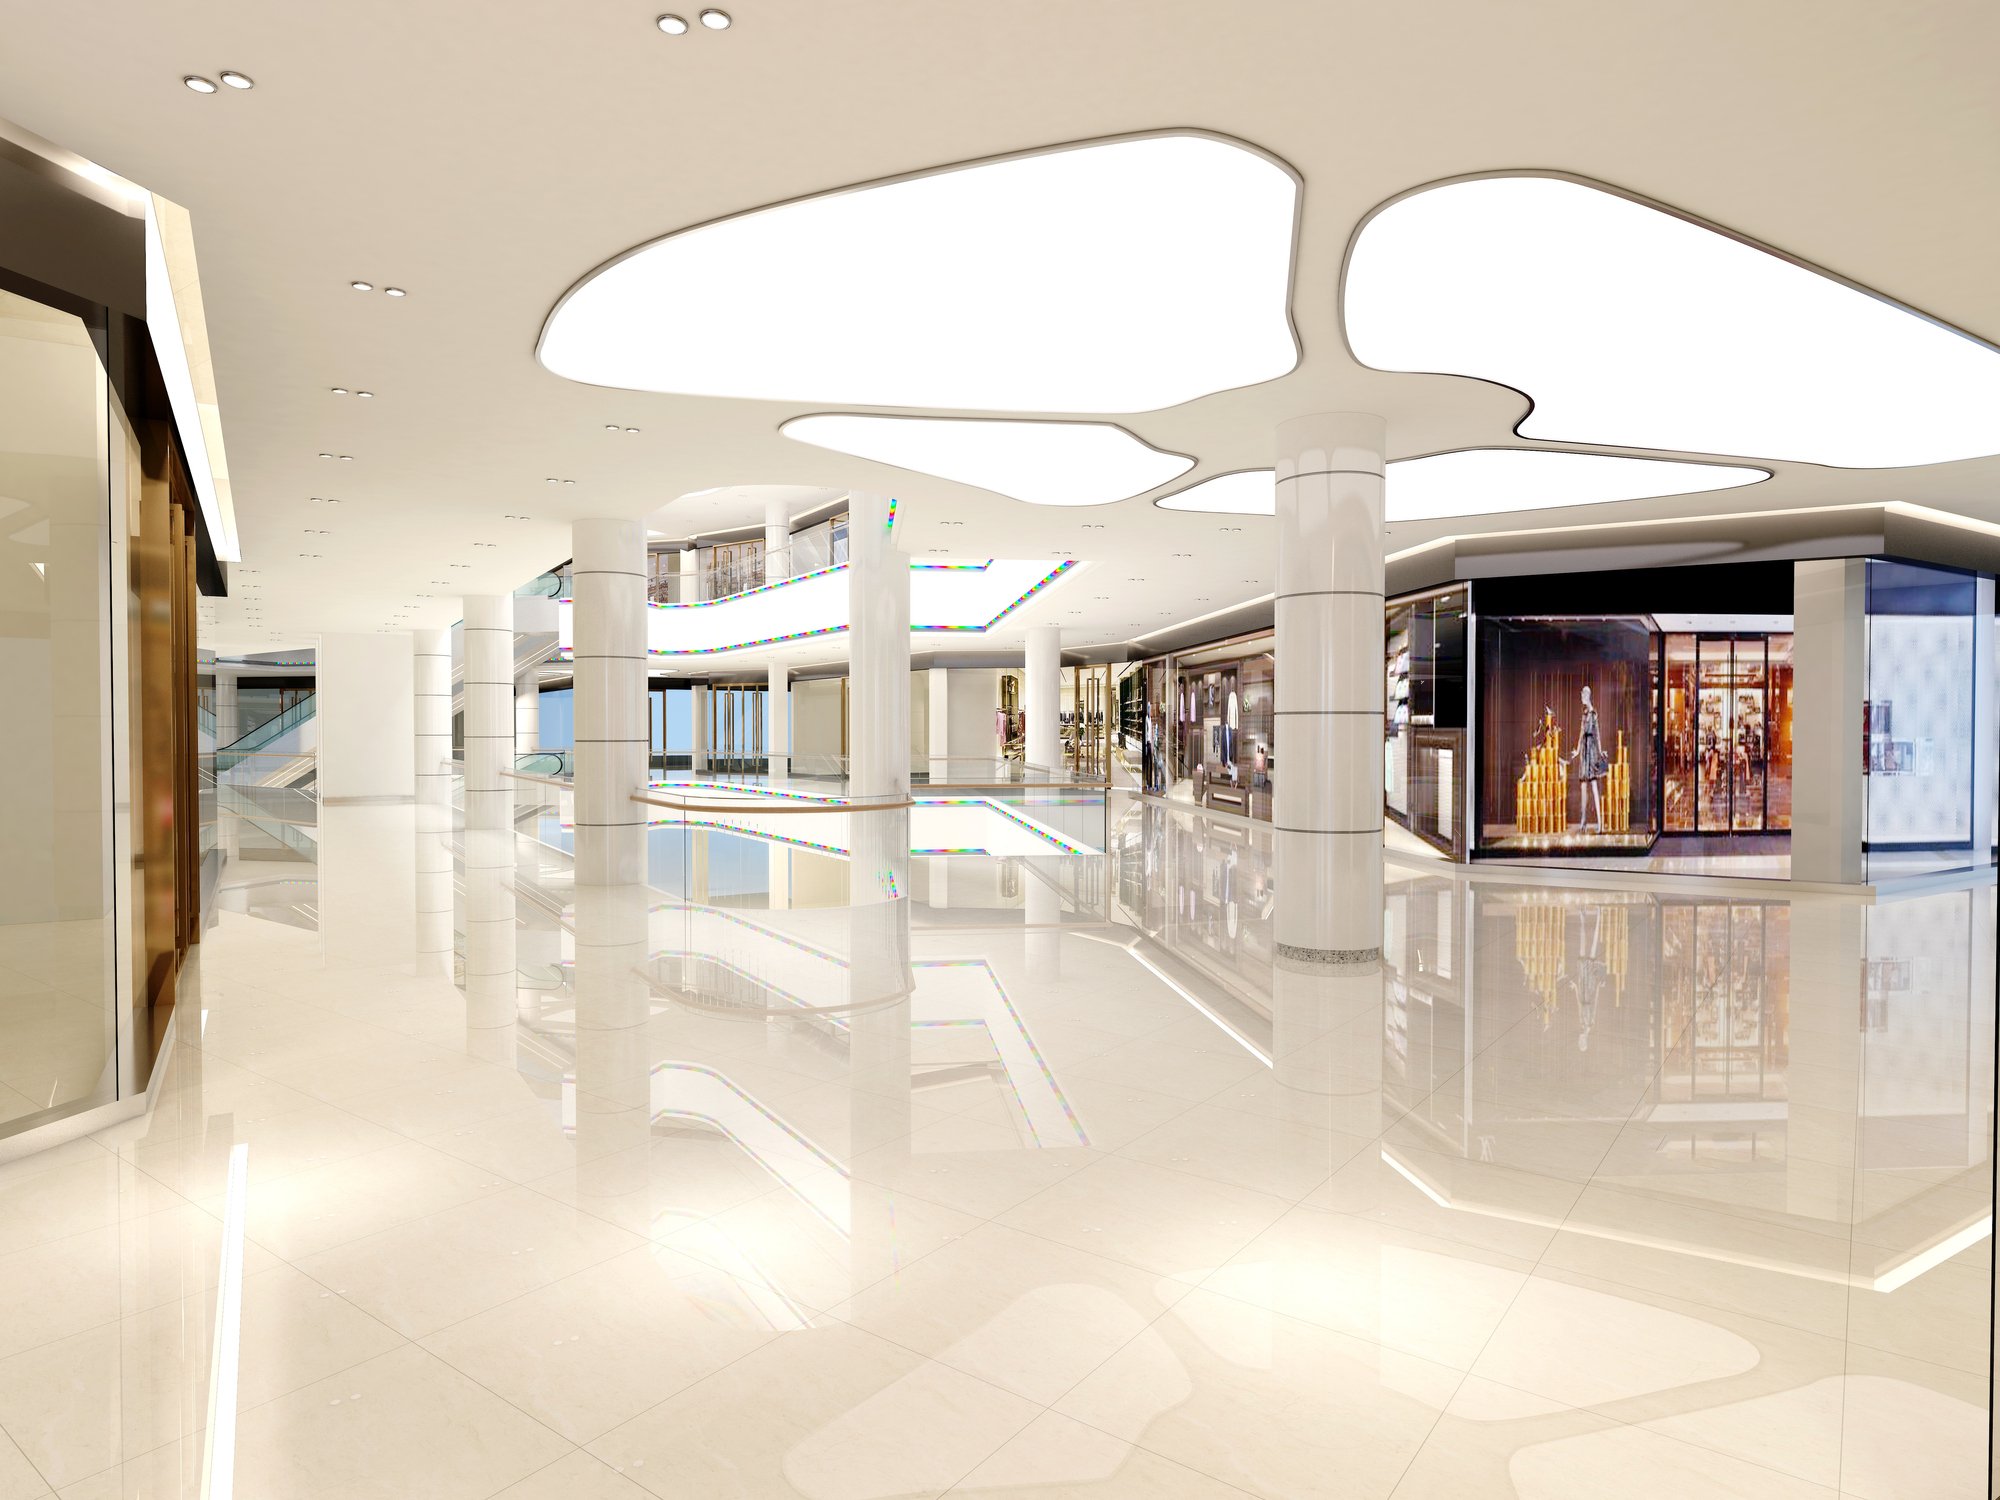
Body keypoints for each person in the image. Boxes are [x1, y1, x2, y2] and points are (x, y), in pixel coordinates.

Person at [1570, 685, 1610, 832]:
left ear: (1587, 695)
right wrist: (1577, 750)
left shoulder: (1593, 714)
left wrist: (1600, 751)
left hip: (1591, 752)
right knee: (1583, 787)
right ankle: (1583, 820)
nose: (1581, 697)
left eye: (1583, 695)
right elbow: (1581, 733)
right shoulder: (1585, 713)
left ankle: (1600, 822)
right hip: (1584, 752)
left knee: (1593, 786)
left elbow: (1597, 735)